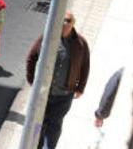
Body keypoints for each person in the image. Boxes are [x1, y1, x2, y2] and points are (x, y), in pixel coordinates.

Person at [27, 11, 91, 149]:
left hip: (64, 96)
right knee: (38, 124)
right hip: (44, 93)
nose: (64, 23)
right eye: (61, 20)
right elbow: (31, 57)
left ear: (73, 23)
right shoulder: (48, 37)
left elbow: (85, 66)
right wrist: (32, 80)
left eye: (67, 20)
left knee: (54, 126)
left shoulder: (81, 43)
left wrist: (80, 88)